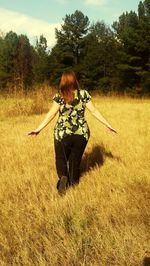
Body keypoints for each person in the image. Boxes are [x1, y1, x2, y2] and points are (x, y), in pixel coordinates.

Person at [28, 70, 117, 195]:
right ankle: (73, 184)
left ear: (63, 81)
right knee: (75, 161)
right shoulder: (84, 94)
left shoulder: (60, 96)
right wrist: (108, 125)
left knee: (61, 159)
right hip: (81, 134)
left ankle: (63, 177)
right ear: (75, 80)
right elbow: (94, 111)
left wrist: (38, 129)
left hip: (62, 134)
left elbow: (51, 114)